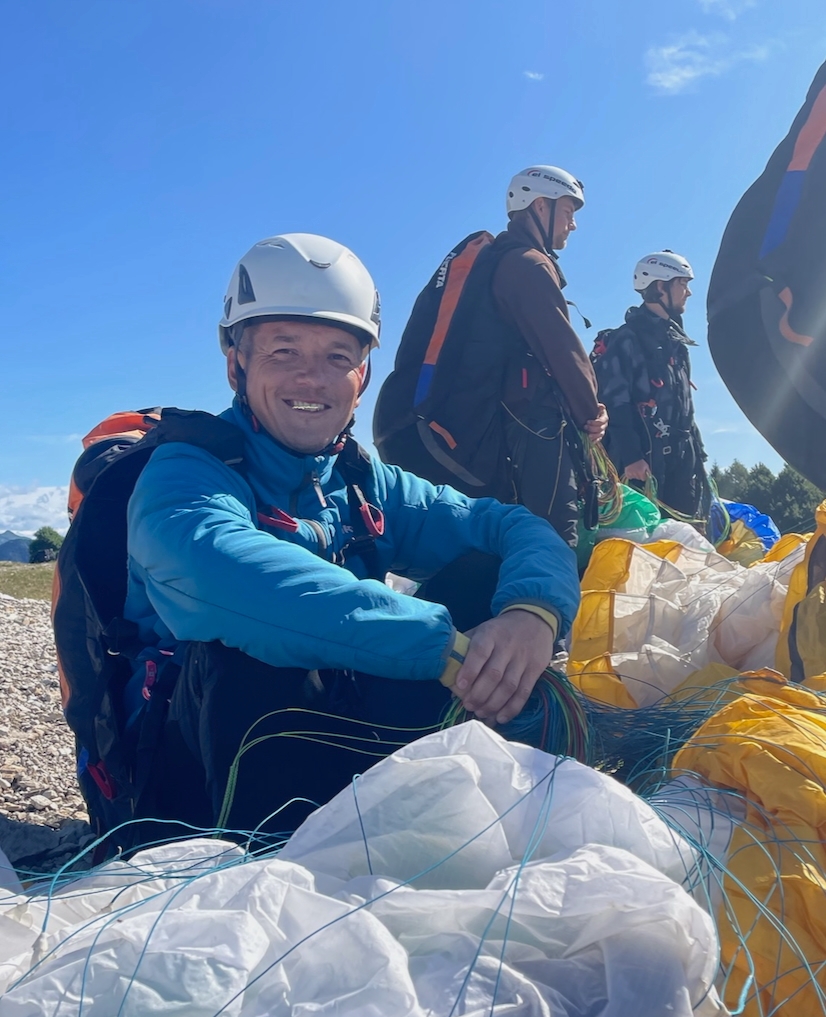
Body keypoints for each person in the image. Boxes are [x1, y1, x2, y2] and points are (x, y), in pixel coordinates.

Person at [123, 233, 580, 838]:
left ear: (362, 375)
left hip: (335, 744)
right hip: (200, 778)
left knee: (488, 567)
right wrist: (443, 647)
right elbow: (219, 571)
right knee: (244, 647)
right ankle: (270, 861)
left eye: (338, 357)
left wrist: (534, 614)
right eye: (284, 351)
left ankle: (436, 825)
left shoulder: (366, 482)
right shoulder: (185, 474)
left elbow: (515, 527)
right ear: (236, 360)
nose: (313, 379)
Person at [374, 165, 607, 549]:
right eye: (568, 212)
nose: (573, 225)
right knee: (551, 540)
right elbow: (563, 349)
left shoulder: (501, 261)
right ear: (539, 207)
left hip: (491, 433)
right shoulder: (527, 265)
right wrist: (591, 412)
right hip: (531, 430)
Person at [593, 251, 708, 518]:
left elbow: (684, 405)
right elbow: (614, 402)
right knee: (646, 541)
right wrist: (632, 456)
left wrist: (698, 454)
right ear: (660, 286)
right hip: (642, 464)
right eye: (683, 283)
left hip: (681, 461)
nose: (688, 292)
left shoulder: (675, 342)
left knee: (685, 539)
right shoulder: (626, 340)